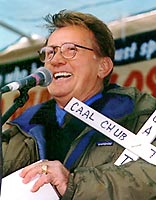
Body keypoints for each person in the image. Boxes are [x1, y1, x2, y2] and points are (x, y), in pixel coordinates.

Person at [2, 9, 156, 200]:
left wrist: (73, 184)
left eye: (71, 50)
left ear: (103, 67)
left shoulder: (142, 113)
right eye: (50, 52)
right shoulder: (22, 127)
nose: (55, 60)